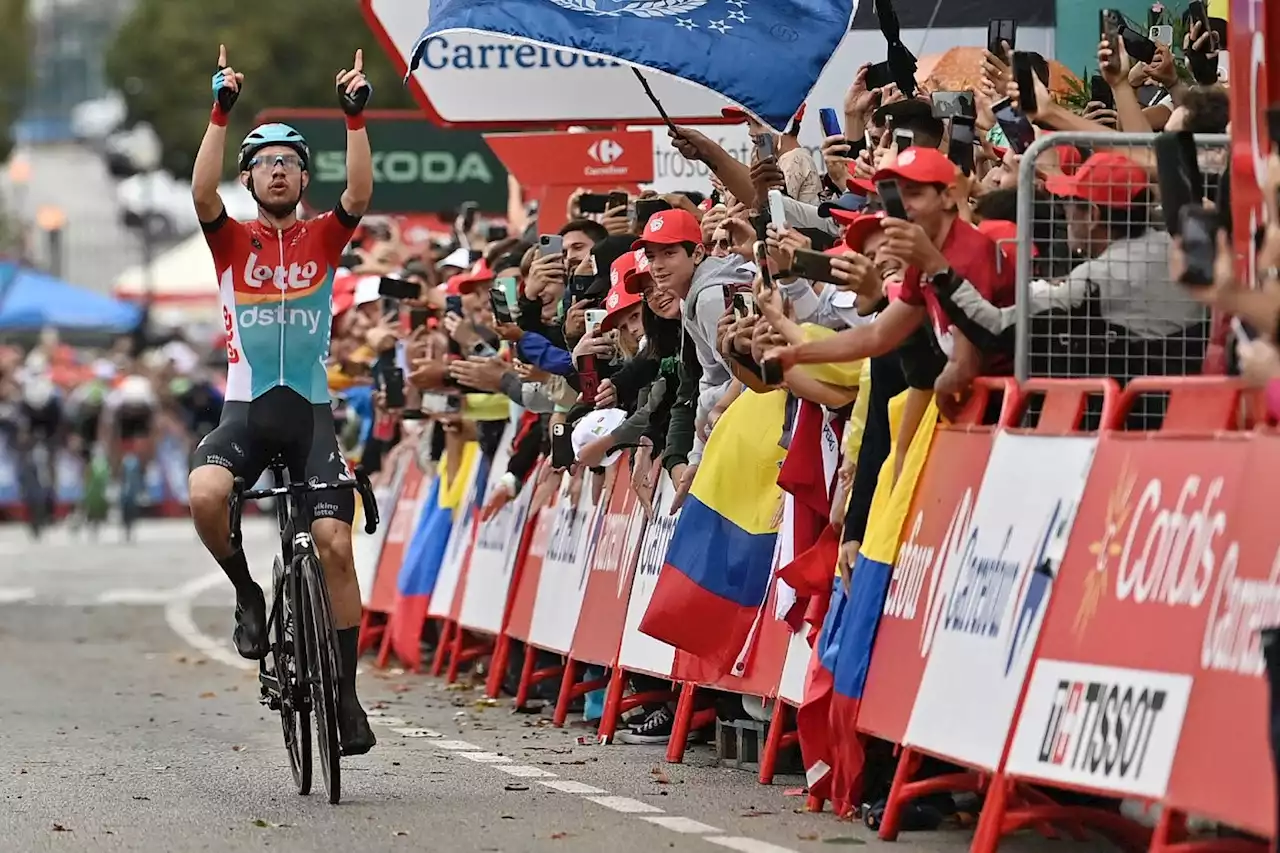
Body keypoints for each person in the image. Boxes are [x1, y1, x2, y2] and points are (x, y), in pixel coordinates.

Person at [186, 43, 376, 755]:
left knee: (334, 544)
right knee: (207, 493)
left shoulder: (324, 238)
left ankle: (348, 699)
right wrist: (220, 111)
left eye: (290, 162)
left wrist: (353, 120)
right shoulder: (229, 240)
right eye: (265, 162)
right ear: (250, 176)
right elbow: (200, 193)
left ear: (303, 177)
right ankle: (246, 590)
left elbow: (359, 195)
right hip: (245, 412)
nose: (278, 170)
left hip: (310, 416)